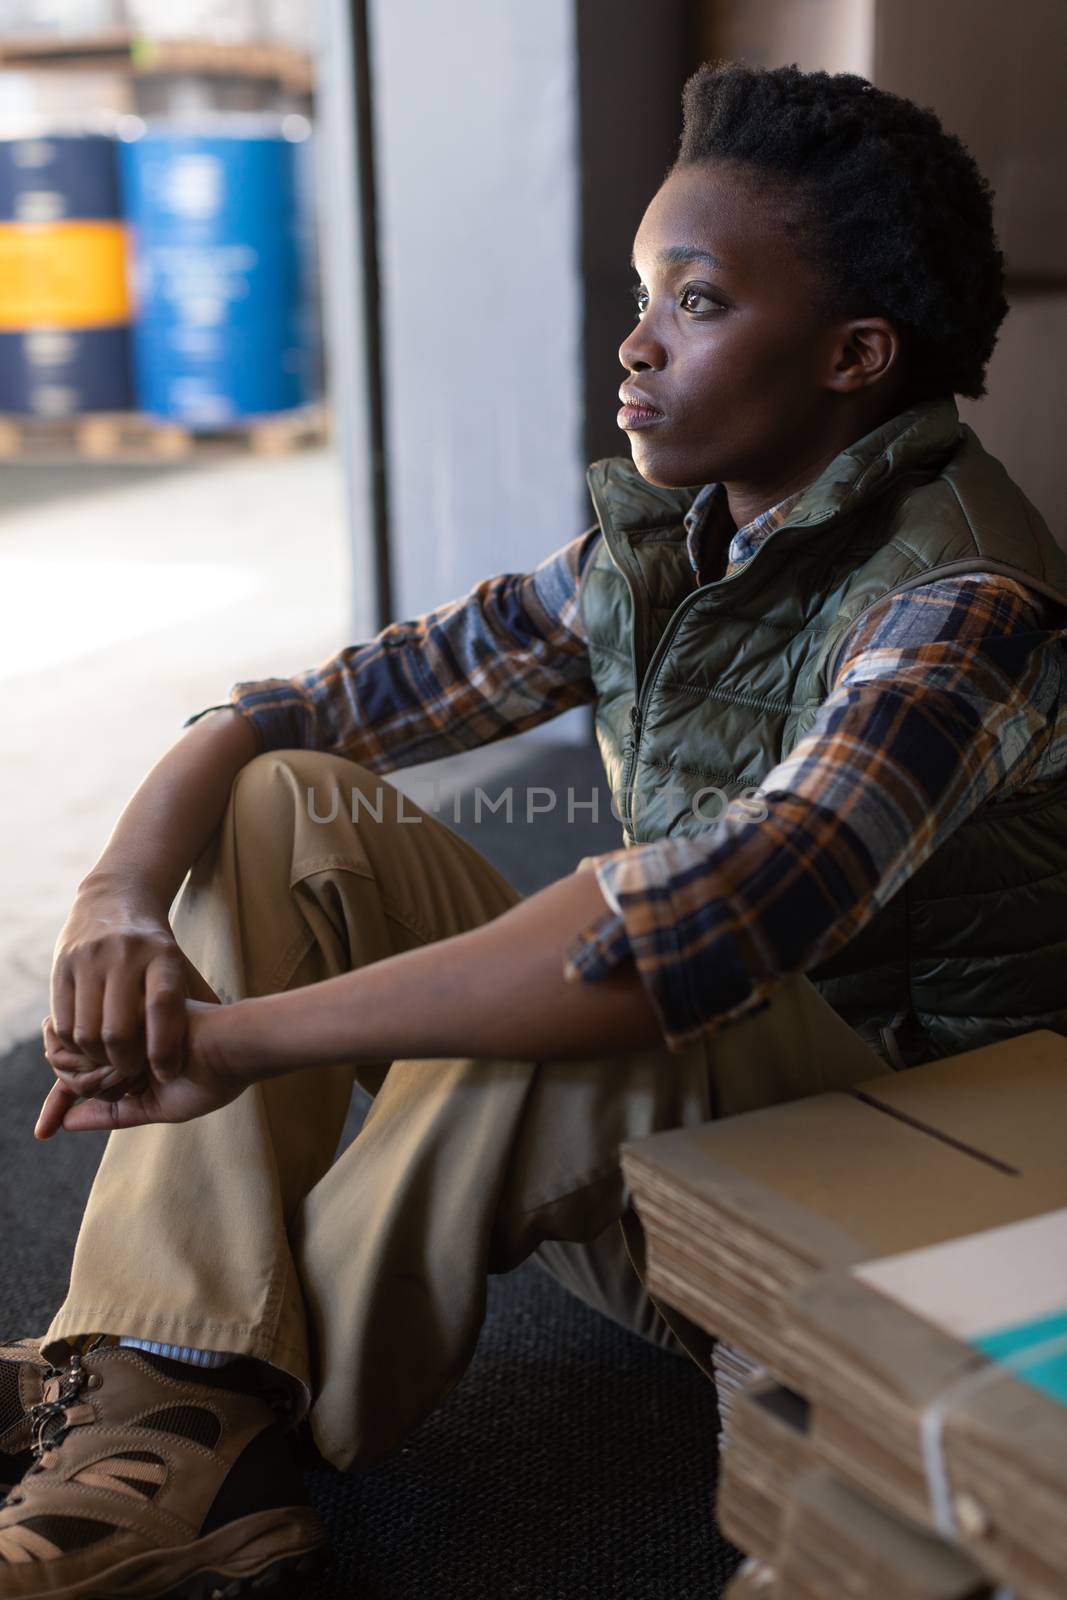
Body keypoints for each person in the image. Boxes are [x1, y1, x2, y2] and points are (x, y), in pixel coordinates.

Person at [3, 59, 1067, 1599]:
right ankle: (161, 1370)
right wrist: (113, 900)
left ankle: (210, 1429)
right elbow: (297, 712)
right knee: (280, 804)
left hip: (898, 1222)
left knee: (607, 978)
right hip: (693, 1144)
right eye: (642, 292)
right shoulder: (676, 544)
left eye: (694, 303)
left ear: (855, 355)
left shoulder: (963, 610)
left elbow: (695, 933)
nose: (631, 347)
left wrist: (240, 1042)